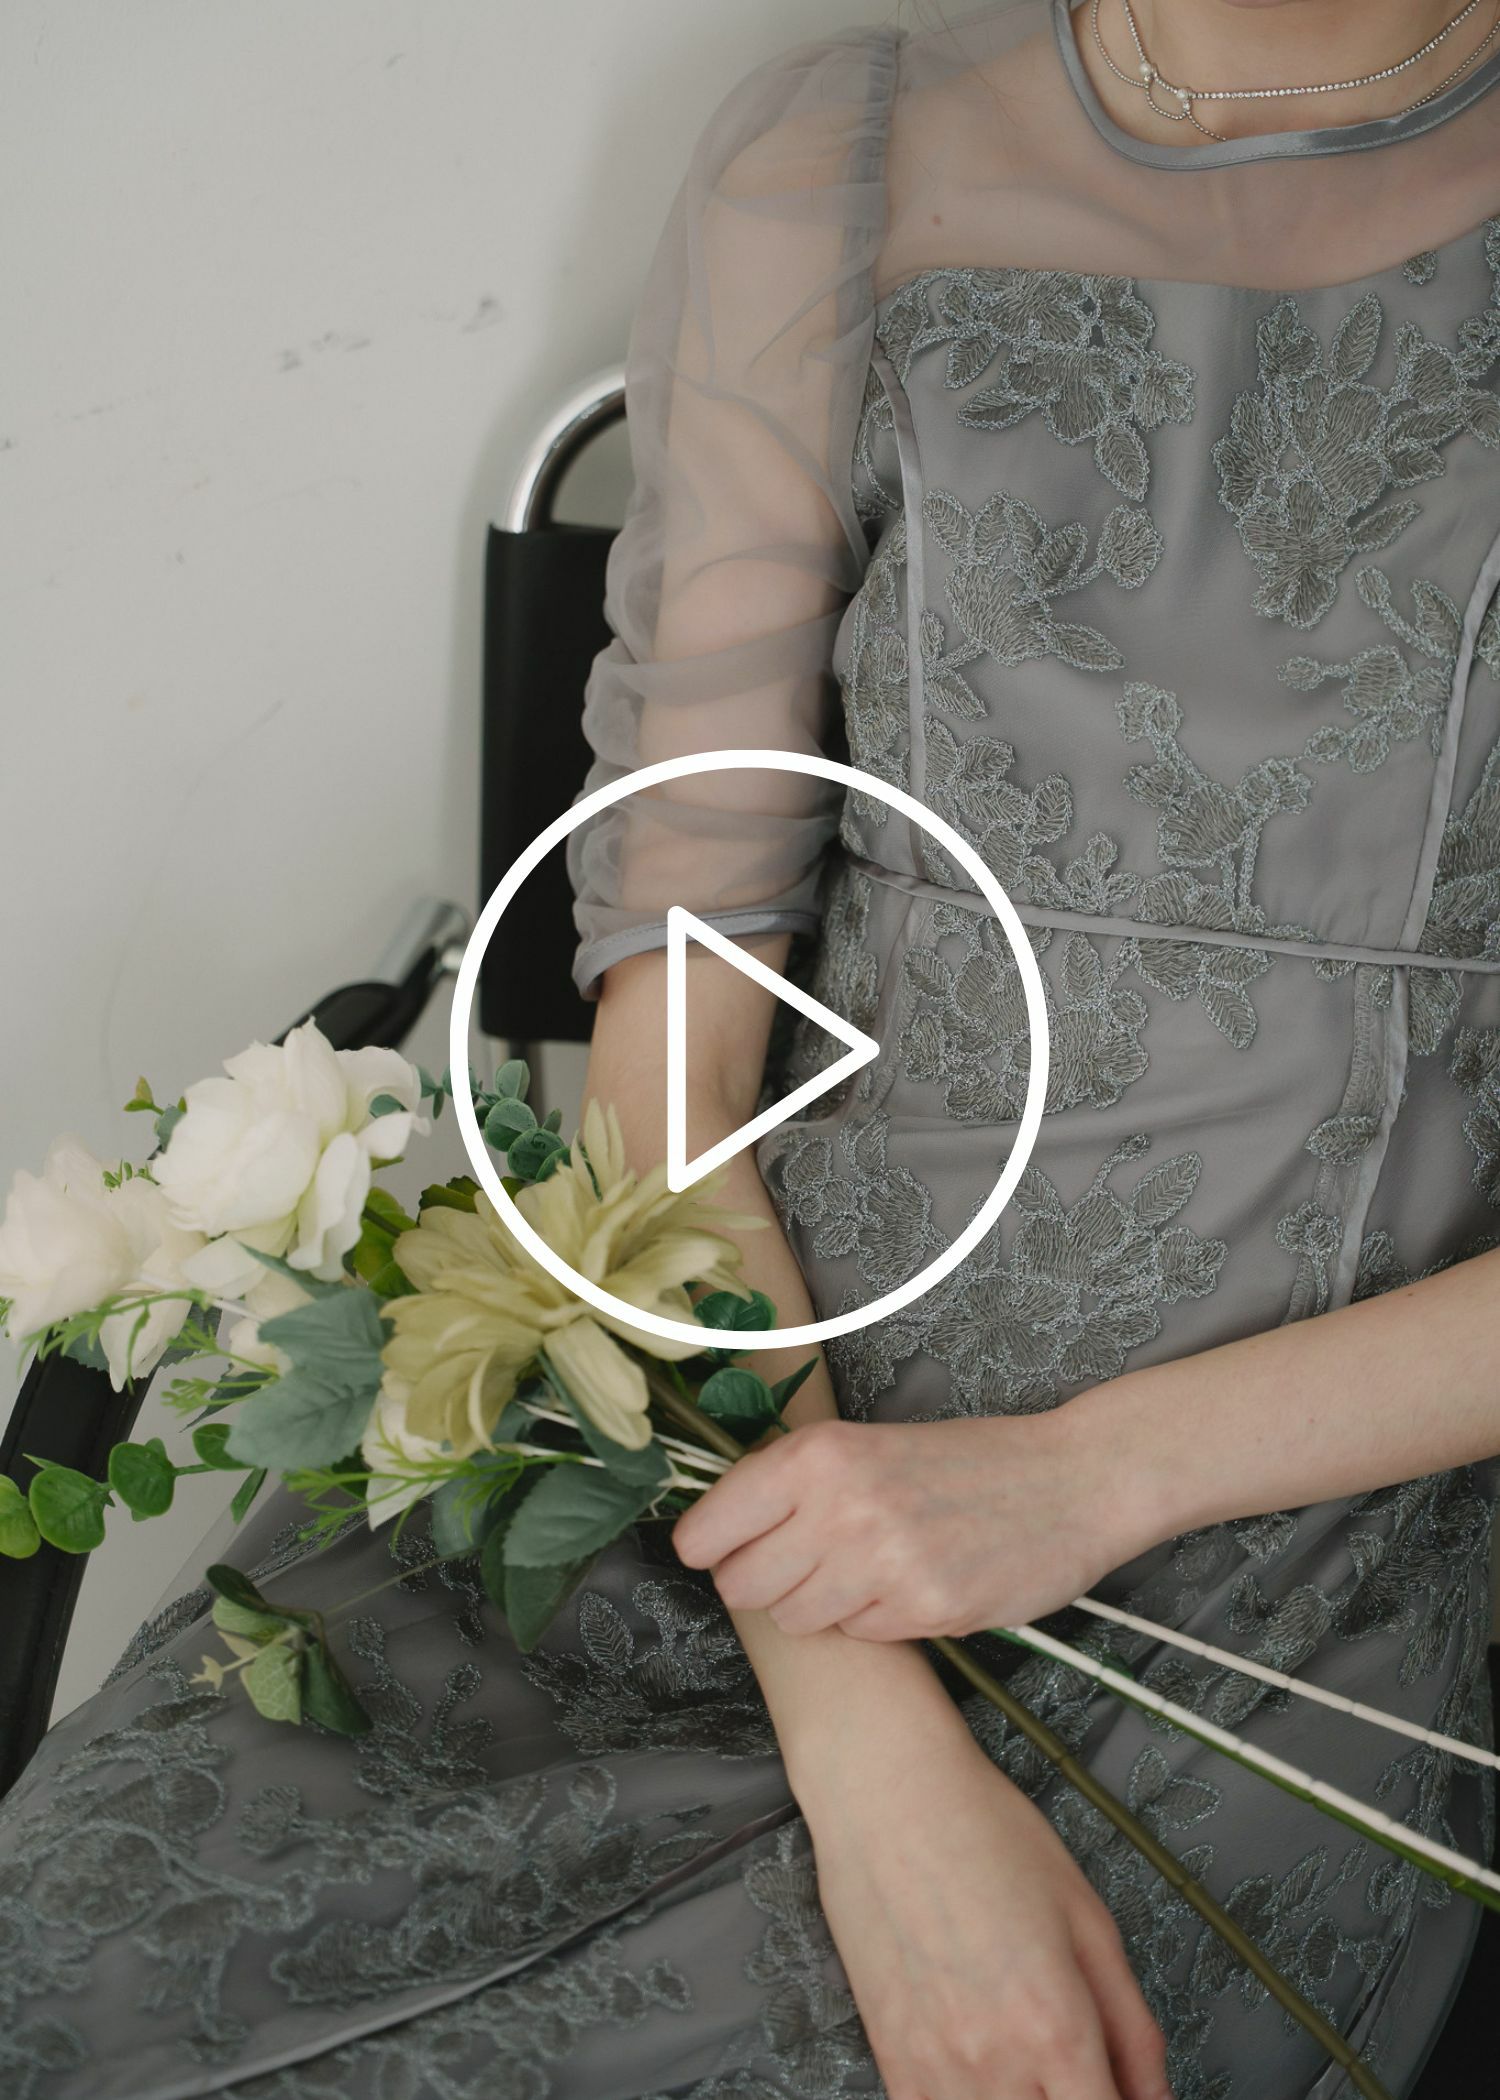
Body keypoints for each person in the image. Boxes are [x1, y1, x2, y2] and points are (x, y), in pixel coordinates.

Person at [2, 4, 1500, 2096]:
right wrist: (865, 1736)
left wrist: (1082, 1482)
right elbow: (677, 1073)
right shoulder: (841, 156)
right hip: (717, 1420)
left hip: (1285, 1535)